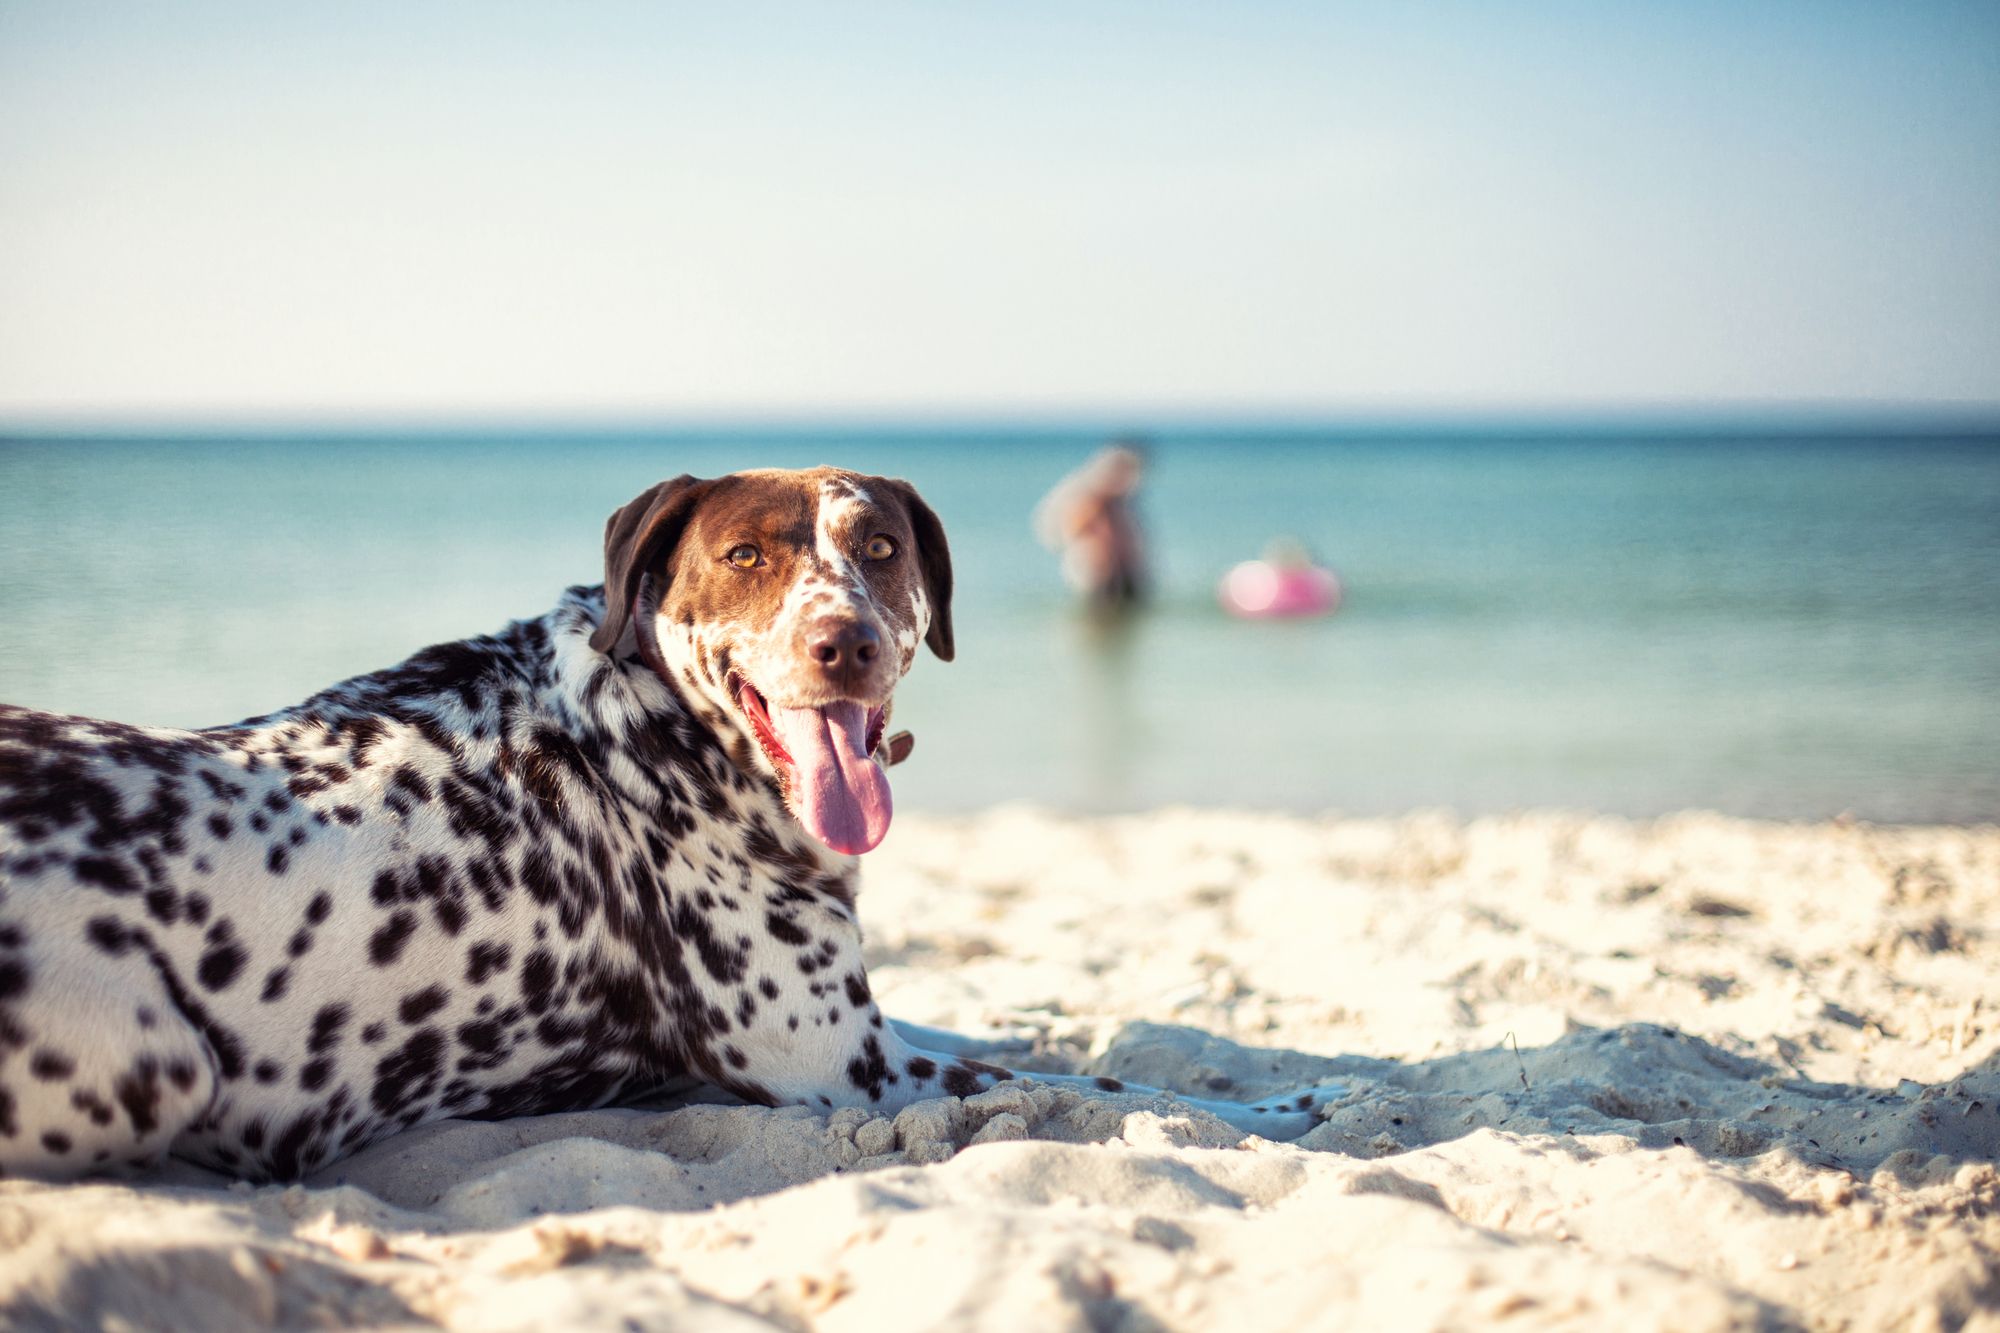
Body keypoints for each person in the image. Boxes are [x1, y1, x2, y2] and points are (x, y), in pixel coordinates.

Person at [1034, 439, 1149, 612]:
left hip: (1116, 574)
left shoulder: (1114, 501)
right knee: (1101, 622)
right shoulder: (1088, 499)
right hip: (1099, 575)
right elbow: (1071, 532)